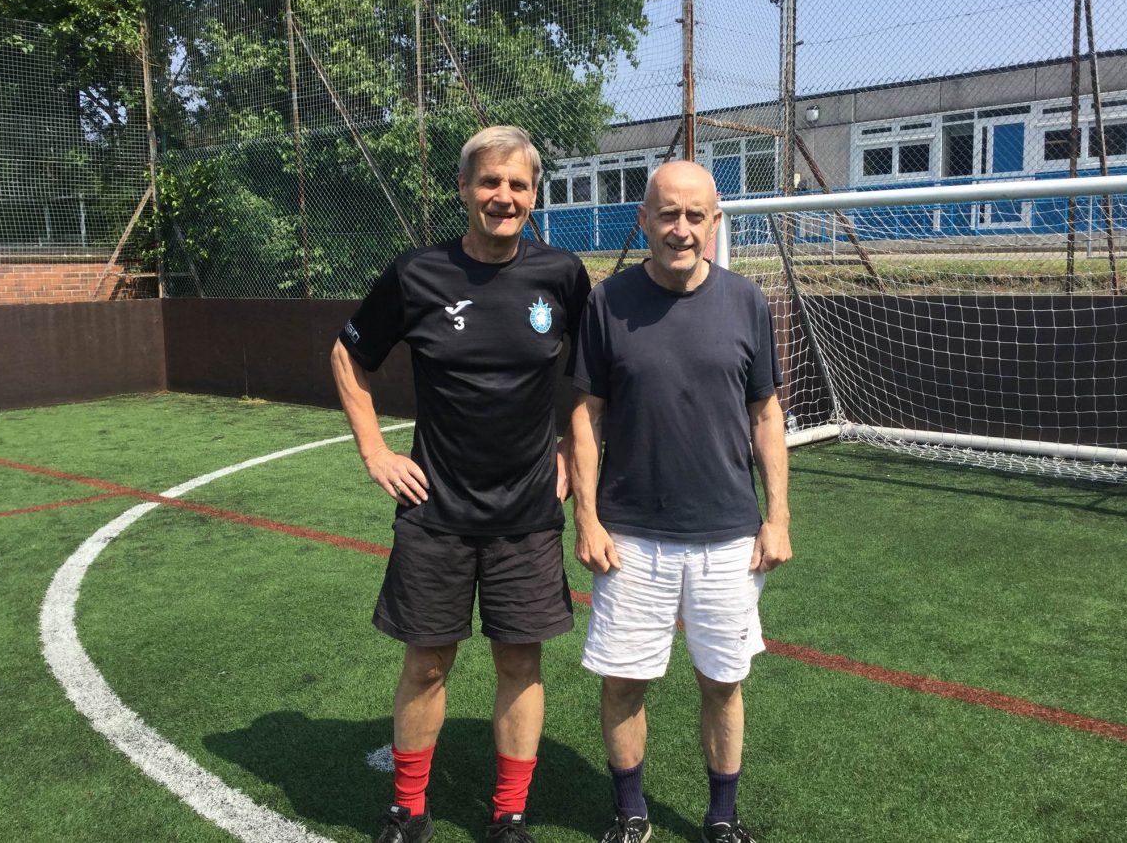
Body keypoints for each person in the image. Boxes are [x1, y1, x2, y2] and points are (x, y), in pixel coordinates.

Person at [331, 126, 591, 843]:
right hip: (434, 511)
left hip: (530, 512)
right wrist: (373, 450)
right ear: (463, 189)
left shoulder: (563, 275)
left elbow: (590, 378)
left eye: (517, 185)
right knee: (426, 663)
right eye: (489, 182)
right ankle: (408, 811)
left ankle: (509, 816)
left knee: (519, 661)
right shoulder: (416, 274)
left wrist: (571, 447)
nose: (503, 197)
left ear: (534, 196)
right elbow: (348, 357)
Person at [568, 160, 791, 843]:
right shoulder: (607, 303)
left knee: (722, 684)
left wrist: (778, 517)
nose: (682, 228)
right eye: (668, 214)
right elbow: (584, 415)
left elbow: (766, 414)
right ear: (644, 219)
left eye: (696, 215)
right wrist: (586, 517)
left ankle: (722, 820)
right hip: (631, 536)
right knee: (623, 685)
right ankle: (631, 812)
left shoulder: (746, 301)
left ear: (715, 222)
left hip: (727, 533)